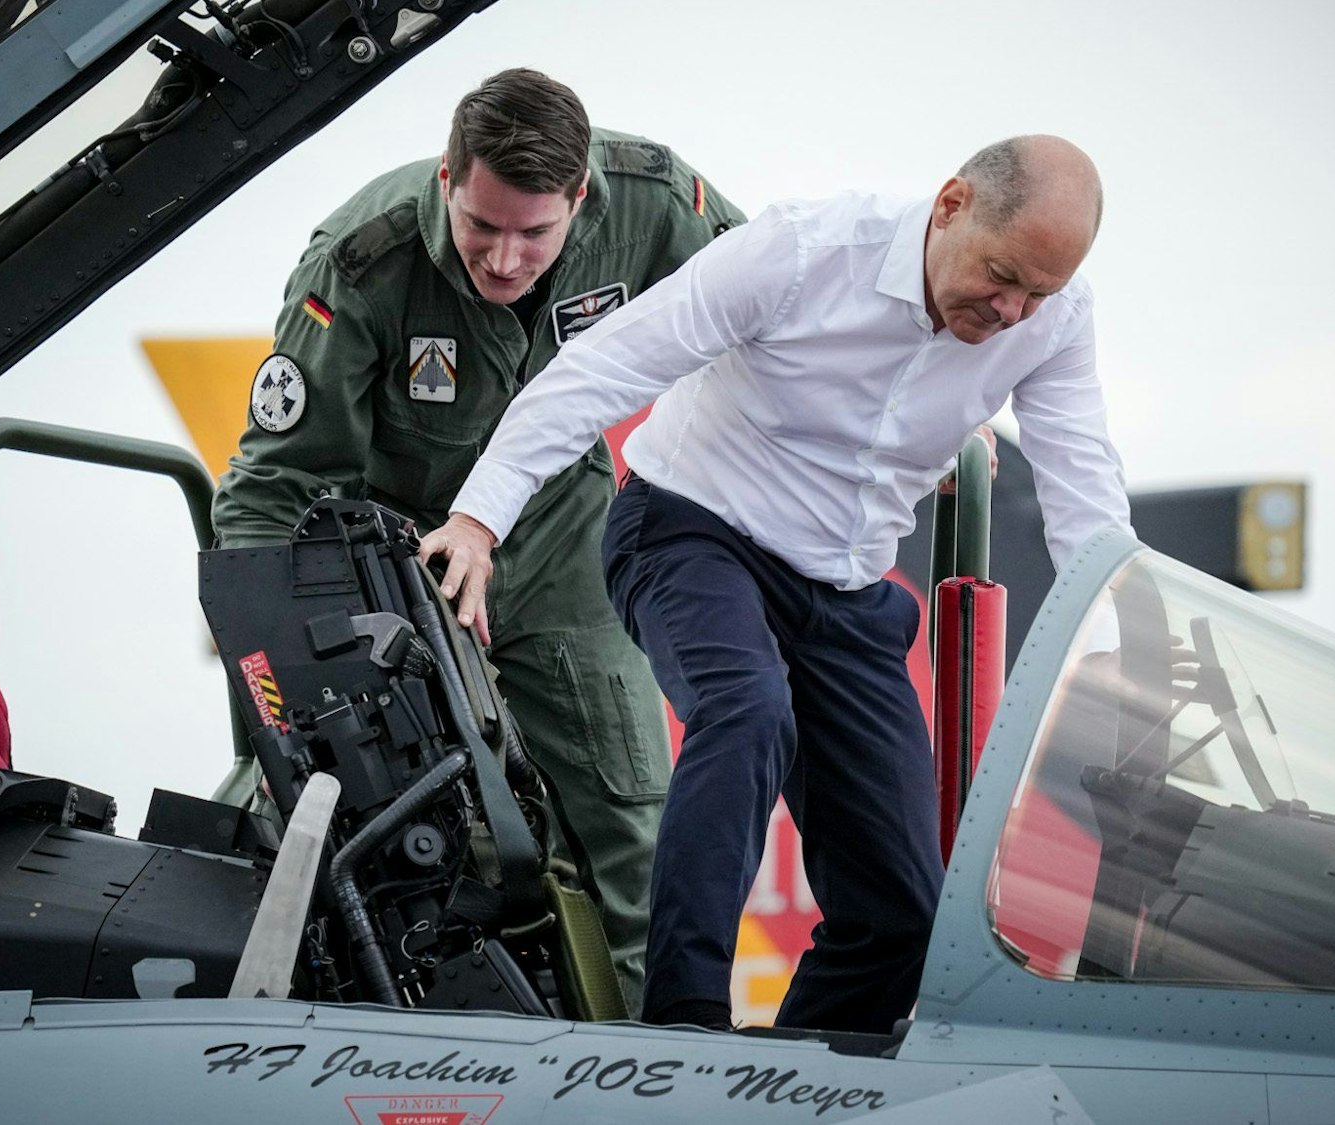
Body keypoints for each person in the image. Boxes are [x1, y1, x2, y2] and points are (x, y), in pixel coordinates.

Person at [419, 135, 1133, 1033]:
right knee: (749, 706)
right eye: (1001, 277)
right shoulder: (803, 250)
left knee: (904, 910)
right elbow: (607, 365)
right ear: (950, 204)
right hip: (691, 527)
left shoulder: (1052, 321)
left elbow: (1082, 482)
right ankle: (684, 1026)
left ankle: (792, 1084)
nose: (1013, 309)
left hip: (844, 588)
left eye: (1039, 292)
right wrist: (481, 518)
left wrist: (1119, 643)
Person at [211, 69, 745, 1015]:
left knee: (630, 814)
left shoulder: (656, 204)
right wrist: (277, 680)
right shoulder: (359, 265)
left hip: (553, 530)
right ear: (449, 177)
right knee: (315, 797)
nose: (504, 261)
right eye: (482, 226)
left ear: (581, 198)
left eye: (535, 235)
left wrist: (902, 387)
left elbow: (776, 296)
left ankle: (660, 1063)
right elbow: (271, 488)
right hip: (391, 552)